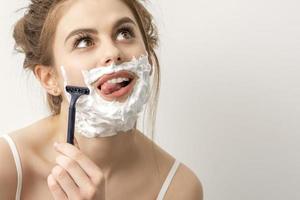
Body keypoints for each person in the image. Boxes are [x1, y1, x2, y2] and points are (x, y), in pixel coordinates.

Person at [0, 0, 203, 199]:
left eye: (124, 33)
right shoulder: (6, 167)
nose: (113, 53)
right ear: (49, 78)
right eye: (84, 41)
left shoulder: (179, 188)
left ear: (148, 56)